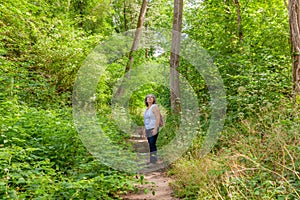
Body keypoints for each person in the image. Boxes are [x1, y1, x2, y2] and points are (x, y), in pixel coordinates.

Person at [143, 94, 161, 164]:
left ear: (154, 99)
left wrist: (155, 128)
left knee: (152, 143)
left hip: (153, 127)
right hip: (148, 128)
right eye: (148, 97)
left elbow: (158, 117)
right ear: (146, 100)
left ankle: (154, 161)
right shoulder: (147, 109)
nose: (150, 98)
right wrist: (145, 129)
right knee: (150, 144)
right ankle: (152, 160)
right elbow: (145, 120)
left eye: (151, 97)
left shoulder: (154, 106)